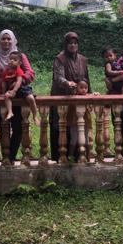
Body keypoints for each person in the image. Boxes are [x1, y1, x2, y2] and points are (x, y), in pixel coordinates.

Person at [0, 29, 35, 161]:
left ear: (13, 40)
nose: (6, 41)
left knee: (18, 127)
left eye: (9, 39)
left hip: (16, 96)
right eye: (3, 39)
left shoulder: (20, 57)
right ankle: (7, 157)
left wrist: (19, 80)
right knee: (3, 127)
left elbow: (30, 73)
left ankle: (10, 157)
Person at [50, 31, 91, 160]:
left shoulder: (83, 60)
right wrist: (67, 83)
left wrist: (89, 94)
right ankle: (60, 158)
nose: (73, 45)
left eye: (75, 43)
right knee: (61, 126)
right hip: (62, 97)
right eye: (70, 43)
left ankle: (78, 156)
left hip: (77, 100)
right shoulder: (60, 59)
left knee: (77, 127)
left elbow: (86, 79)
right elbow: (58, 77)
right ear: (65, 44)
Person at [1, 51, 40, 126]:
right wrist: (4, 92)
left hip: (22, 88)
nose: (12, 61)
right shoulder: (5, 71)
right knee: (7, 96)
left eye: (15, 60)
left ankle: (35, 116)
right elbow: (4, 83)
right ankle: (10, 112)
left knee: (31, 98)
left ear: (19, 63)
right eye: (10, 59)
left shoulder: (18, 70)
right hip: (11, 89)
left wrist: (14, 91)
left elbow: (19, 81)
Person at [67, 79, 90, 158]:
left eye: (86, 88)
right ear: (77, 88)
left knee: (86, 139)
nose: (84, 90)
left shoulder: (88, 97)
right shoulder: (73, 97)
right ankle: (71, 157)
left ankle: (88, 157)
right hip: (74, 122)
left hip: (85, 122)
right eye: (81, 87)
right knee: (73, 140)